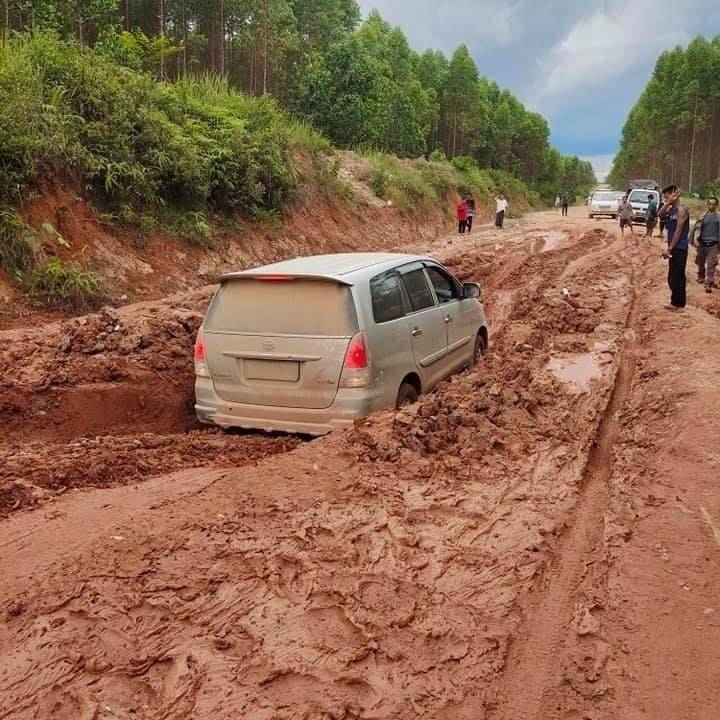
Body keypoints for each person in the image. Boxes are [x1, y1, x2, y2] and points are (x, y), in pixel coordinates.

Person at [657, 184, 690, 310]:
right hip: (674, 247)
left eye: (667, 197)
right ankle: (677, 302)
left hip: (680, 248)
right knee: (672, 276)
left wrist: (669, 249)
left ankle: (678, 304)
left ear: (675, 195)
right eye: (665, 198)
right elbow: (659, 214)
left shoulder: (682, 210)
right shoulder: (671, 209)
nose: (665, 200)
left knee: (677, 276)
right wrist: (668, 203)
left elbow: (678, 231)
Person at [692, 196, 720, 293]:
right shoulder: (702, 216)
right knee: (700, 261)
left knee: (711, 264)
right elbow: (696, 229)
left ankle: (709, 283)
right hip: (702, 243)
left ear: (716, 205)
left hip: (713, 244)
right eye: (710, 204)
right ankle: (701, 276)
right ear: (707, 204)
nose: (711, 206)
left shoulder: (718, 217)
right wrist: (695, 240)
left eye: (714, 204)